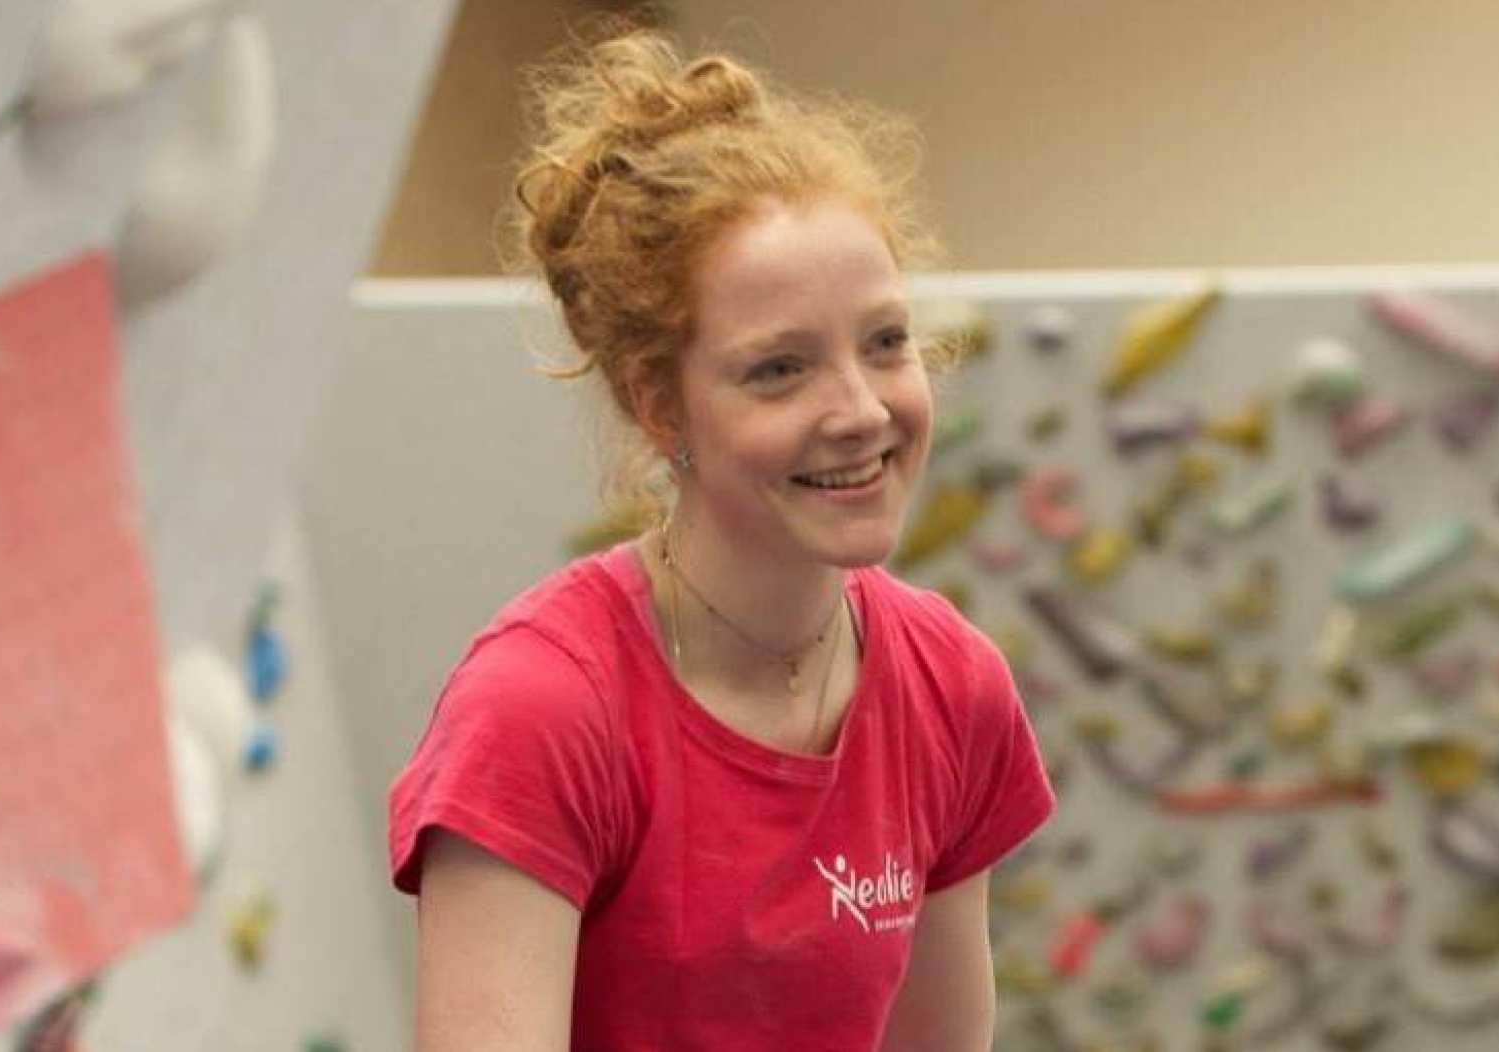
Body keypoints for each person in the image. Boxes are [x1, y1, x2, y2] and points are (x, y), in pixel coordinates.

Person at [386, 23, 1055, 1051]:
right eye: (778, 368)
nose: (861, 410)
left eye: (883, 343)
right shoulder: (542, 710)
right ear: (658, 401)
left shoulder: (947, 687)